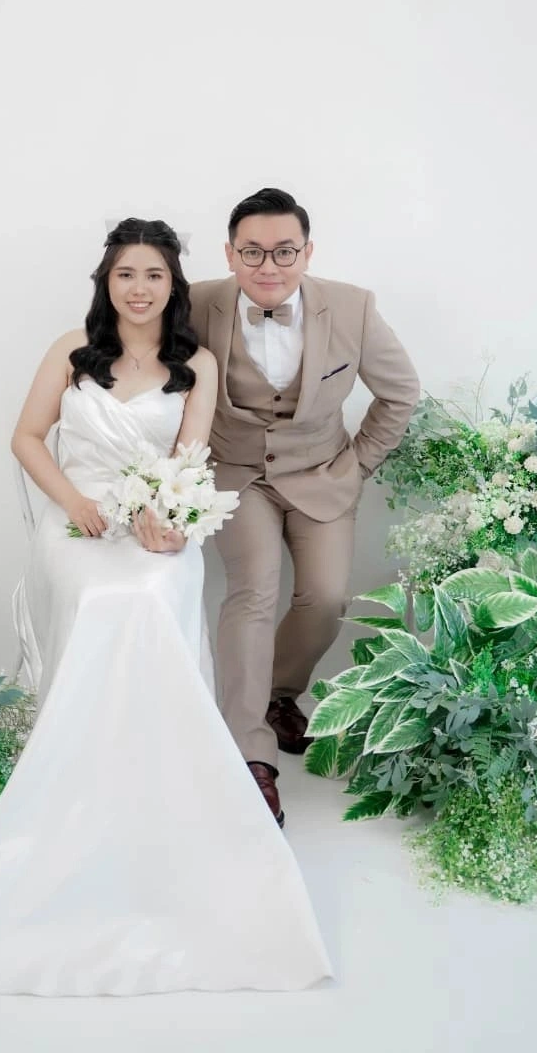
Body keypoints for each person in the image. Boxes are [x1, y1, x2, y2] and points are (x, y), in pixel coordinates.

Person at [0, 218, 332, 996]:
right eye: (125, 274)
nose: (139, 289)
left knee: (146, 593)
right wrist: (75, 504)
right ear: (107, 282)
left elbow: (188, 461)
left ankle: (161, 788)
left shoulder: (195, 364)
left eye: (154, 275)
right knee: (103, 598)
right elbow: (26, 437)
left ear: (174, 286)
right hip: (75, 519)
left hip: (155, 521)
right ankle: (73, 787)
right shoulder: (71, 349)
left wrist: (162, 516)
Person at [189, 189, 420, 828]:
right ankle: (250, 755)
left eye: (284, 251)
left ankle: (276, 693)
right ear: (230, 254)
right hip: (237, 476)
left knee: (326, 598)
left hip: (323, 474)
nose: (269, 265)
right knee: (254, 592)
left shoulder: (352, 307)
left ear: (307, 252)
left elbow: (400, 392)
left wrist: (358, 464)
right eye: (252, 252)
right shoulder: (196, 303)